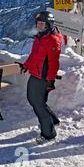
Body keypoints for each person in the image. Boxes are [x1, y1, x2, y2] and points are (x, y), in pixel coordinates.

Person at [19, 11, 62, 145]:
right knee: (34, 100)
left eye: (43, 24)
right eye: (38, 24)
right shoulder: (40, 37)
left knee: (38, 104)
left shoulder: (52, 40)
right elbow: (34, 55)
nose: (39, 26)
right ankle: (52, 121)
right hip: (35, 74)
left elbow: (54, 63)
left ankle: (48, 134)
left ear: (49, 25)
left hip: (43, 78)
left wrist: (50, 80)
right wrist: (26, 65)